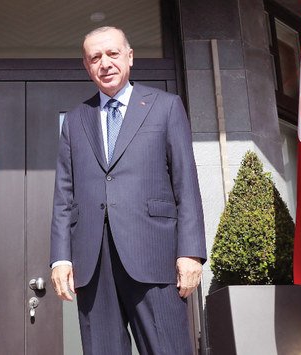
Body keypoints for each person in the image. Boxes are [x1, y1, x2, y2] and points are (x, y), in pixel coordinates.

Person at [50, 27, 206, 354]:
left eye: (113, 54)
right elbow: (64, 195)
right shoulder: (76, 119)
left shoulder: (166, 107)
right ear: (86, 66)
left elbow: (185, 183)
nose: (105, 63)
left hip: (154, 253)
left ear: (130, 57)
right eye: (95, 58)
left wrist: (190, 252)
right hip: (93, 263)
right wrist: (61, 258)